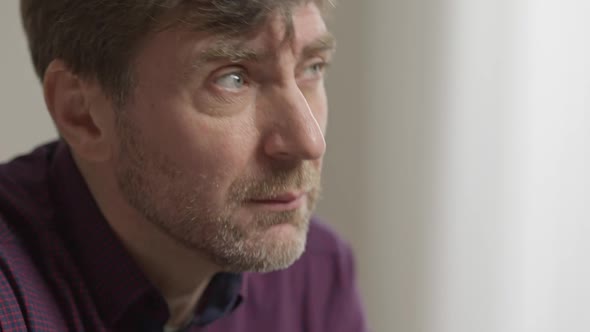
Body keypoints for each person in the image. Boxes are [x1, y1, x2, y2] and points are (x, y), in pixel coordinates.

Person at [0, 0, 368, 331]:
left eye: (312, 68)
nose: (309, 142)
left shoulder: (316, 275)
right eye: (232, 78)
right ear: (82, 114)